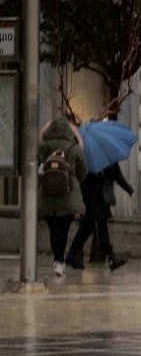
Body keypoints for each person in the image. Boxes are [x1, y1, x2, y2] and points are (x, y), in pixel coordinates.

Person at [37, 118, 87, 278]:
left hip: (47, 195)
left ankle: (56, 259)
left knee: (53, 228)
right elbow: (83, 172)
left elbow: (36, 160)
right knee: (63, 229)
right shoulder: (74, 148)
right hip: (68, 196)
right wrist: (79, 139)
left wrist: (43, 132)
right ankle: (59, 262)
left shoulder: (45, 146)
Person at [67, 163, 133, 272]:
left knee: (86, 228)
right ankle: (111, 258)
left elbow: (117, 175)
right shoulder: (87, 158)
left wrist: (129, 190)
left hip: (100, 199)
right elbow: (81, 178)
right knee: (101, 229)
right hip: (92, 199)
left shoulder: (107, 160)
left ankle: (72, 255)